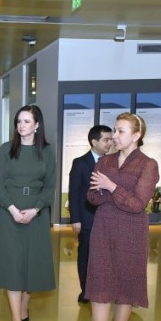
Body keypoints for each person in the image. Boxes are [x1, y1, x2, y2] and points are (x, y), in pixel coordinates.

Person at [81, 113, 159, 321]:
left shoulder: (148, 165)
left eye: (121, 131)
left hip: (131, 231)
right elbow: (91, 197)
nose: (114, 136)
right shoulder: (105, 162)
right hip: (103, 227)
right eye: (114, 130)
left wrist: (111, 187)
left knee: (126, 284)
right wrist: (103, 191)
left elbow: (137, 204)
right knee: (100, 281)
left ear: (136, 135)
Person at [0, 105, 57, 321]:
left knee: (32, 264)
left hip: (36, 214)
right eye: (19, 121)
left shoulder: (47, 152)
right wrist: (13, 209)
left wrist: (35, 209)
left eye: (27, 121)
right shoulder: (6, 150)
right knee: (12, 265)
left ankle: (24, 306)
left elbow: (50, 186)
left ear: (37, 125)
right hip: (8, 213)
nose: (21, 125)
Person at [69, 125, 112, 304]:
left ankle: (103, 287)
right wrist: (75, 219)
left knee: (106, 255)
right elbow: (74, 192)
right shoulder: (80, 163)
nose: (110, 143)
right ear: (94, 142)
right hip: (87, 218)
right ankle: (86, 290)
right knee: (86, 254)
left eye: (111, 139)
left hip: (108, 218)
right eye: (106, 140)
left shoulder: (113, 162)